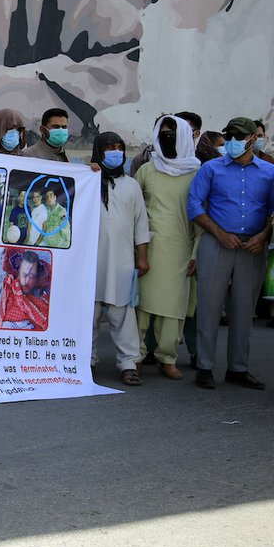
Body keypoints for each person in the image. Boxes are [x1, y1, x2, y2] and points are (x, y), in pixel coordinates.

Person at [189, 117, 274, 390]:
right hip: (217, 241)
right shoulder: (211, 169)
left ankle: (238, 368)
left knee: (243, 308)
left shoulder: (269, 172)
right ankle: (204, 365)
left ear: (252, 139)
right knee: (209, 305)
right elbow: (194, 205)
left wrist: (264, 236)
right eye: (230, 136)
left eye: (239, 136)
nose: (234, 141)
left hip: (252, 246)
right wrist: (218, 233)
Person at [135, 115, 200, 381]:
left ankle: (167, 358)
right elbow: (133, 209)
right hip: (147, 249)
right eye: (163, 133)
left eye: (172, 133)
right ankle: (134, 357)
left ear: (184, 136)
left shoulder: (198, 172)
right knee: (141, 306)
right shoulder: (146, 170)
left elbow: (202, 217)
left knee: (173, 308)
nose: (167, 137)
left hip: (180, 250)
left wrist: (196, 253)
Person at [90, 132, 151, 386]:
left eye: (119, 147)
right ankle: (86, 360)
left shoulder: (131, 185)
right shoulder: (87, 181)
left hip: (122, 261)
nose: (115, 152)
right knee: (89, 314)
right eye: (109, 148)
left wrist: (143, 257)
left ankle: (128, 363)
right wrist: (87, 172)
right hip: (91, 262)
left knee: (122, 314)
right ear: (99, 152)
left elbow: (141, 224)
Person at [0, 250, 49, 330]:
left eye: (31, 276)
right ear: (19, 272)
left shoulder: (38, 296)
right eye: (25, 275)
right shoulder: (7, 288)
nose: (27, 280)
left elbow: (44, 319)